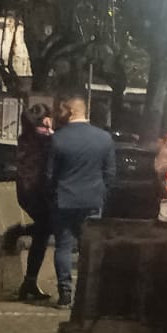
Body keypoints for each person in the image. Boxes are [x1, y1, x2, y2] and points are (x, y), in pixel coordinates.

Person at [46, 95, 115, 308]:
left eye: (61, 110)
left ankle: (65, 293)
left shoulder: (58, 139)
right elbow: (110, 173)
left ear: (70, 111)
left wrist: (53, 194)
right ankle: (88, 295)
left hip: (65, 199)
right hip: (93, 199)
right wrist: (102, 193)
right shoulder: (104, 138)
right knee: (91, 248)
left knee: (64, 247)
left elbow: (49, 175)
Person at [2, 102, 54, 301]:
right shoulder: (43, 138)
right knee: (49, 227)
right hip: (36, 191)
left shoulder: (27, 137)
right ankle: (19, 231)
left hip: (27, 191)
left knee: (43, 233)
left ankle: (30, 282)